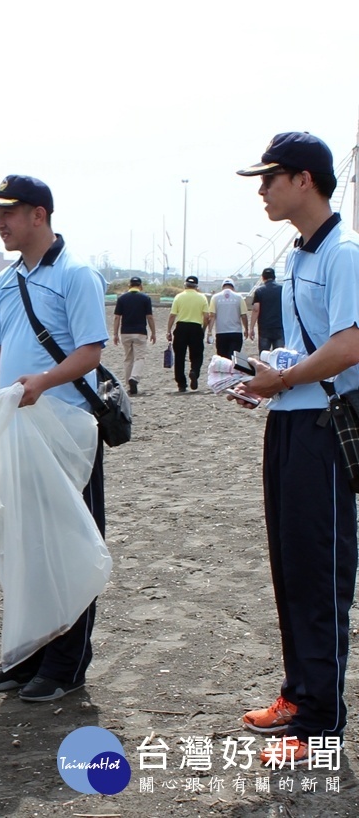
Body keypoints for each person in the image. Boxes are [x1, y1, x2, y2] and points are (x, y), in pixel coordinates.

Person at [0, 175, 108, 703]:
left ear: (39, 214)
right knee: (24, 546)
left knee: (69, 543)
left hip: (66, 430)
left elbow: (90, 352)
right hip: (17, 433)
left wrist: (43, 382)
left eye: (8, 213)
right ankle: (28, 656)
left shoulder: (77, 275)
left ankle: (66, 664)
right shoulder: (5, 281)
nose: (0, 223)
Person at [232, 132, 359, 768]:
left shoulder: (346, 253)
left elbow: (349, 347)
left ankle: (321, 724)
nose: (262, 190)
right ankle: (299, 694)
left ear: (304, 179)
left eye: (270, 178)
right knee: (290, 567)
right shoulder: (297, 256)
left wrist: (280, 379)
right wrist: (265, 379)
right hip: (289, 420)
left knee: (321, 573)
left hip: (324, 430)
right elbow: (310, 348)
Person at [112, 277, 156, 395]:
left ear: (129, 285)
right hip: (140, 332)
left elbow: (117, 317)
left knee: (128, 358)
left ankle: (128, 383)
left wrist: (115, 333)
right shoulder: (145, 298)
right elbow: (149, 317)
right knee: (139, 358)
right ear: (140, 286)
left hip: (125, 332)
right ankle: (134, 378)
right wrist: (153, 332)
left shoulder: (122, 298)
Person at [165, 276, 209, 392]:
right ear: (197, 286)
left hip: (181, 327)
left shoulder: (179, 297)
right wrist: (203, 329)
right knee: (197, 354)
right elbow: (206, 317)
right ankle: (194, 371)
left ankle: (181, 383)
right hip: (195, 327)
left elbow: (172, 315)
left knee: (179, 356)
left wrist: (168, 330)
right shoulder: (202, 298)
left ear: (185, 285)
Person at [206, 279, 249, 358]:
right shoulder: (239, 297)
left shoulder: (215, 297)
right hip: (236, 332)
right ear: (233, 287)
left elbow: (212, 316)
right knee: (234, 358)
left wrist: (209, 332)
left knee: (222, 358)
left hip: (221, 332)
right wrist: (246, 329)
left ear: (222, 287)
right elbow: (243, 315)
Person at [250, 266, 285, 352]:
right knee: (278, 357)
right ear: (274, 277)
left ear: (263, 277)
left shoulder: (259, 291)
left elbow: (256, 309)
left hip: (264, 328)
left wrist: (251, 328)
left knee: (264, 356)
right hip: (279, 326)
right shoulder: (282, 289)